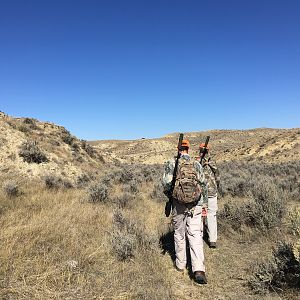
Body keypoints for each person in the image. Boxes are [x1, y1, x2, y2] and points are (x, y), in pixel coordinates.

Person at [162, 139, 208, 284]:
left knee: (179, 233)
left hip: (178, 204)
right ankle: (198, 269)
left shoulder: (171, 163)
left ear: (178, 148)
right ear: (188, 149)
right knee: (195, 234)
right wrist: (204, 204)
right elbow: (203, 184)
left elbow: (166, 184)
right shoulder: (196, 164)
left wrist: (172, 196)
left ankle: (180, 264)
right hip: (195, 204)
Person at [198, 143, 220, 249]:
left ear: (200, 150)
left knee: (200, 216)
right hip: (212, 192)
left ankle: (199, 238)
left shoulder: (197, 161)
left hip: (201, 193)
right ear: (208, 150)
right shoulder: (213, 161)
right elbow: (217, 176)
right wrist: (216, 187)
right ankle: (212, 240)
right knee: (212, 215)